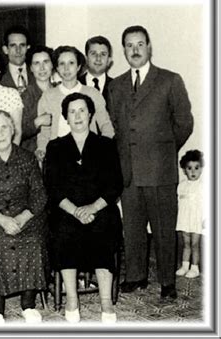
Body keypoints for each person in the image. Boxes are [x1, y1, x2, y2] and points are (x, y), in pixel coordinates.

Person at [107, 25, 194, 300]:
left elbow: (184, 123)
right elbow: (114, 126)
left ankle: (168, 282)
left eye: (140, 44)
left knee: (163, 230)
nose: (135, 50)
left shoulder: (169, 80)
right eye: (129, 45)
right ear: (123, 50)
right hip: (127, 171)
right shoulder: (116, 85)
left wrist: (165, 150)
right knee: (132, 229)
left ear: (149, 47)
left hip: (160, 171)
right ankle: (136, 276)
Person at [43, 93, 123, 323]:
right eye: (72, 111)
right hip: (67, 210)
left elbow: (114, 185)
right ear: (65, 117)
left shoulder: (106, 146)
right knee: (63, 230)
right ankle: (71, 299)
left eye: (82, 110)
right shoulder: (56, 146)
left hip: (100, 209)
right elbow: (52, 186)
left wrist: (92, 208)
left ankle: (105, 301)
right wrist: (75, 210)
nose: (77, 115)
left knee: (104, 229)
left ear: (90, 114)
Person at [0, 110, 48, 324]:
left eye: (4, 127)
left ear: (12, 129)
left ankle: (28, 303)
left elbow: (40, 194)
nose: (0, 132)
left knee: (33, 242)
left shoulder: (27, 158)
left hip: (26, 217)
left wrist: (23, 217)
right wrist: (0, 219)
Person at [36, 45, 114, 163]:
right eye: (62, 64)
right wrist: (41, 149)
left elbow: (106, 125)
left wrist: (102, 148)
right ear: (56, 68)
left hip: (89, 156)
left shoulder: (92, 93)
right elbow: (45, 132)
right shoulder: (48, 96)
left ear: (78, 67)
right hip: (58, 158)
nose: (66, 68)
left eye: (71, 63)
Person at [175, 150, 204, 279]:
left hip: (197, 218)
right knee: (186, 243)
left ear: (201, 169)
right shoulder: (181, 186)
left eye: (196, 168)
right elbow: (178, 202)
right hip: (185, 218)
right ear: (184, 170)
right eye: (189, 168)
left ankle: (195, 267)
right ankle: (185, 265)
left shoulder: (203, 186)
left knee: (194, 244)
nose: (193, 172)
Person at [20, 45, 54, 153]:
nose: (42, 68)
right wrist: (37, 122)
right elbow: (18, 132)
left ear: (52, 65)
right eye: (36, 63)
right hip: (32, 153)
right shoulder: (26, 96)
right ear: (30, 68)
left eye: (46, 62)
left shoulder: (60, 90)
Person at [0, 25, 36, 94]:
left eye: (22, 45)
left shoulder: (37, 73)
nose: (18, 50)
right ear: (5, 50)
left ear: (28, 48)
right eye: (13, 45)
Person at [78, 35, 113, 101]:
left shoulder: (117, 86)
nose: (98, 58)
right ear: (86, 59)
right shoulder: (76, 84)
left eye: (103, 54)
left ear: (109, 61)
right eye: (93, 53)